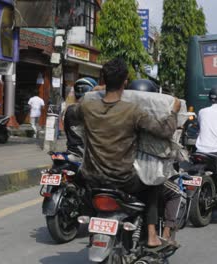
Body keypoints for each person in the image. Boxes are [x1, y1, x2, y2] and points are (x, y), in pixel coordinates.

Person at [75, 58, 181, 248]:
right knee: (153, 185)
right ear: (125, 81)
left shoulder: (87, 107)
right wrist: (173, 112)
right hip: (123, 179)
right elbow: (165, 131)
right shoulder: (133, 111)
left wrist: (92, 93)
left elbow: (69, 114)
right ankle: (151, 235)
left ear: (103, 80)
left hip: (92, 178)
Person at [127, 79, 182, 242]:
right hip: (142, 176)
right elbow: (166, 131)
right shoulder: (146, 120)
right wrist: (173, 112)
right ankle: (165, 234)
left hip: (118, 173)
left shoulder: (120, 116)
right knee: (174, 193)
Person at [64, 77, 97, 162]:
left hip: (71, 152)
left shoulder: (69, 109)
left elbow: (66, 130)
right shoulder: (94, 110)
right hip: (86, 157)